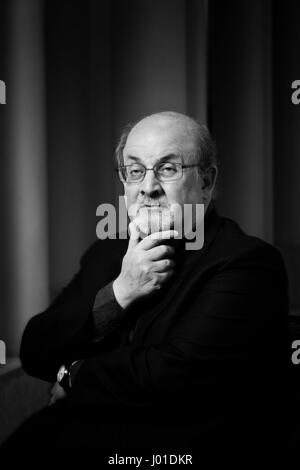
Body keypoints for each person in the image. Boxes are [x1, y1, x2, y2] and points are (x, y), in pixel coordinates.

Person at [0, 111, 288, 465]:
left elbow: (172, 377)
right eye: (135, 171)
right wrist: (119, 293)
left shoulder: (249, 263)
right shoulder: (106, 253)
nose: (147, 186)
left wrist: (73, 374)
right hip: (71, 439)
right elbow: (36, 348)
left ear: (206, 183)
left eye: (168, 169)